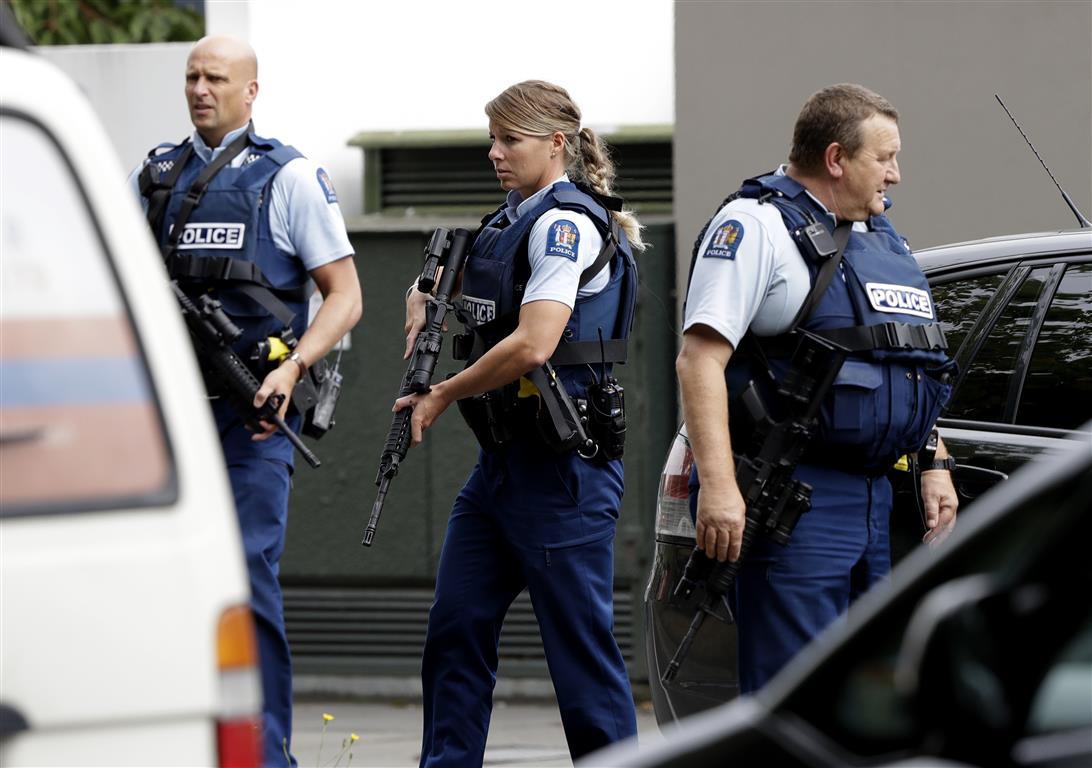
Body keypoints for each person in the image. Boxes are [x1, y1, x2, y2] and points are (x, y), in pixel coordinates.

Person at [676, 83, 959, 694]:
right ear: (836, 159)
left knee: (867, 696)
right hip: (795, 499)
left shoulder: (882, 239)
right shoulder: (757, 226)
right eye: (884, 158)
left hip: (875, 498)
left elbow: (905, 360)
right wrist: (721, 490)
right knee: (796, 697)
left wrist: (934, 460)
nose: (897, 175)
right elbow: (699, 360)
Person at [128, 35, 362, 765]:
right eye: (192, 76)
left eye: (216, 77)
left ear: (251, 90)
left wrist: (295, 368)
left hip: (252, 421)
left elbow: (346, 296)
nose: (200, 88)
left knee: (246, 581)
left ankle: (268, 756)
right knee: (164, 588)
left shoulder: (287, 176)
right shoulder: (157, 175)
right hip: (172, 421)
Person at [397, 80, 643, 766]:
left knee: (580, 659)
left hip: (564, 471)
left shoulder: (565, 224)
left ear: (556, 144)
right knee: (455, 630)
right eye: (492, 139)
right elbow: (470, 285)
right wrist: (420, 293)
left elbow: (535, 341)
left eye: (511, 140)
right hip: (500, 469)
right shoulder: (510, 218)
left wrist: (442, 393)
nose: (494, 153)